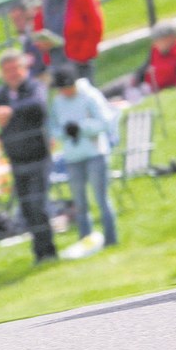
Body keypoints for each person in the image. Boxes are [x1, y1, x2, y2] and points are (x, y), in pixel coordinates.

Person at [0, 51, 57, 264]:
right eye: (7, 70)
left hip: (38, 158)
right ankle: (39, 254)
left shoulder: (34, 87)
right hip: (17, 161)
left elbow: (38, 106)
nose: (12, 74)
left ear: (24, 68)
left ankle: (49, 252)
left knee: (38, 205)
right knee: (27, 209)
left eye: (15, 68)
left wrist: (10, 111)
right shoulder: (3, 93)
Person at [46, 63, 118, 257]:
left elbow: (105, 122)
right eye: (61, 89)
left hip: (95, 153)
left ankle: (111, 240)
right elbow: (52, 127)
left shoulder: (90, 96)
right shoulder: (58, 102)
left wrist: (82, 127)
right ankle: (85, 241)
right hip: (73, 156)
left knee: (102, 199)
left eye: (67, 87)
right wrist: (64, 132)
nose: (65, 92)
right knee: (80, 203)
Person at [33, 0, 105, 80]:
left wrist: (83, 54)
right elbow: (39, 27)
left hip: (80, 61)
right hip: (56, 61)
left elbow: (96, 25)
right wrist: (43, 43)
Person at [132, 22, 176, 93]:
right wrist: (135, 78)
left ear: (170, 38)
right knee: (123, 84)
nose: (155, 43)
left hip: (155, 89)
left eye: (158, 40)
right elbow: (146, 66)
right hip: (145, 84)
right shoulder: (155, 50)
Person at [7, 2, 44, 72]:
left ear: (26, 15)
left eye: (19, 18)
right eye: (14, 20)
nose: (17, 23)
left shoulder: (36, 31)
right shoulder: (22, 37)